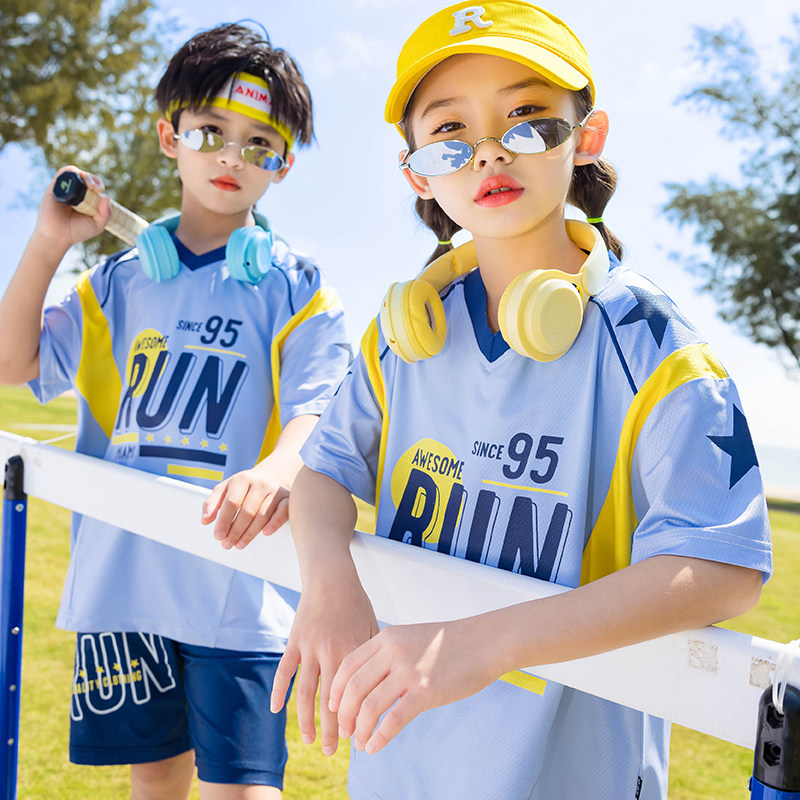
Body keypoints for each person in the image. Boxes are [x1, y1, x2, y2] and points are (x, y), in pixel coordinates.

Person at [269, 3, 773, 798]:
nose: (491, 152)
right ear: (417, 173)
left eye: (529, 120)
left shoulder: (653, 342)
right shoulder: (403, 334)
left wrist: (485, 643)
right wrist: (329, 581)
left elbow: (722, 565)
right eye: (450, 135)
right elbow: (324, 471)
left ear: (588, 137)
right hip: (402, 762)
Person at [0, 22, 352, 800]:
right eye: (211, 132)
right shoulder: (120, 281)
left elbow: (320, 406)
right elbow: (14, 364)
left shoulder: (295, 285)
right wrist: (48, 243)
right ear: (171, 136)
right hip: (129, 580)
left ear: (283, 166)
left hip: (242, 582)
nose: (232, 156)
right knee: (154, 782)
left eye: (259, 144)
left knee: (244, 789)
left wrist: (276, 469)